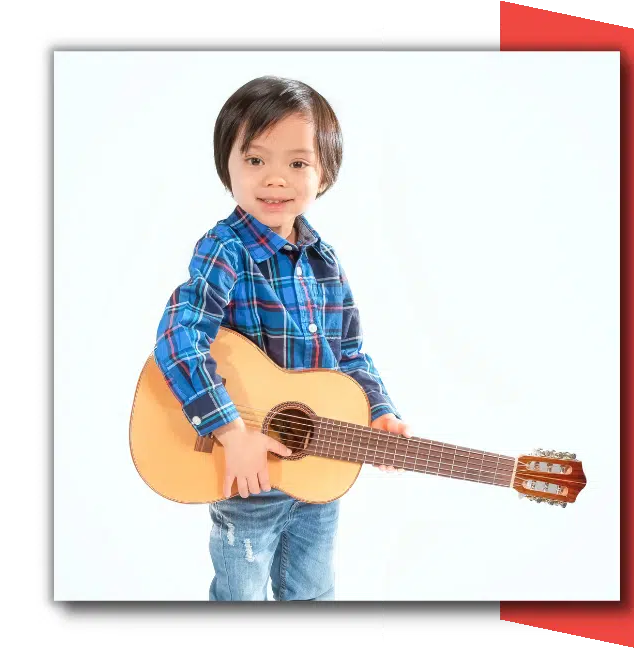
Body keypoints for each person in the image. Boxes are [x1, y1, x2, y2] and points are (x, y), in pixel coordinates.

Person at [153, 75, 412, 601]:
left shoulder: (324, 261)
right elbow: (179, 338)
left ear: (325, 172)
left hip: (318, 475)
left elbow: (349, 354)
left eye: (297, 163)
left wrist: (379, 411)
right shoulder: (224, 249)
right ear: (227, 164)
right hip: (248, 480)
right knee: (240, 601)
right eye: (255, 160)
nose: (275, 179)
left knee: (314, 597)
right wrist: (232, 433)